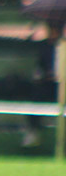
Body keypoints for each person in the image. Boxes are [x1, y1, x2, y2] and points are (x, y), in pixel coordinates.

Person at [23, 20, 62, 148]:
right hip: (47, 83)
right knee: (35, 98)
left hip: (63, 84)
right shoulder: (44, 47)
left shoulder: (63, 45)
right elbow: (40, 67)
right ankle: (33, 132)